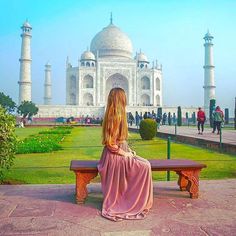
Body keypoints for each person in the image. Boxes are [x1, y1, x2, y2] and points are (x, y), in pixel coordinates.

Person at [98, 88, 153, 221]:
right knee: (144, 167)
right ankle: (133, 201)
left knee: (145, 163)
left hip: (120, 152)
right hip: (114, 157)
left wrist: (129, 152)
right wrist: (125, 154)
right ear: (120, 99)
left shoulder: (119, 114)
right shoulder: (113, 116)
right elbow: (110, 144)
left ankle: (135, 198)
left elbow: (120, 141)